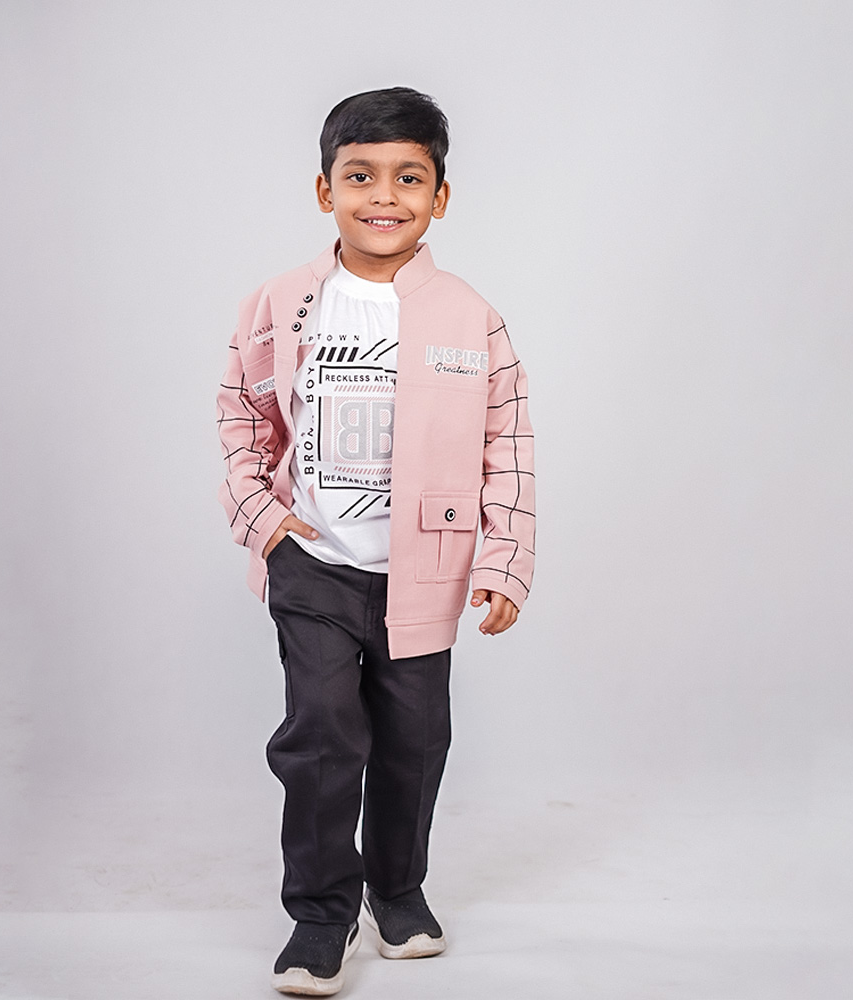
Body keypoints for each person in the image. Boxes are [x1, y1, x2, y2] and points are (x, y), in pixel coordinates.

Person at [216, 86, 535, 996]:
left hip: (424, 572)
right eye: (360, 176)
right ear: (326, 191)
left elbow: (508, 444)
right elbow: (241, 416)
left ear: (441, 197)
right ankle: (322, 916)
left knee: (413, 742)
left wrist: (505, 560)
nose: (383, 195)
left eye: (408, 177)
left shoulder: (471, 316)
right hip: (313, 564)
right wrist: (264, 521)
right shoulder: (279, 303)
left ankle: (397, 892)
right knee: (320, 739)